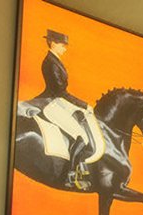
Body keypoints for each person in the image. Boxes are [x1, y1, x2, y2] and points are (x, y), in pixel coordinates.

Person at [37, 29, 95, 189]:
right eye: (62, 45)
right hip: (52, 103)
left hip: (59, 100)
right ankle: (71, 175)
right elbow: (60, 92)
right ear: (53, 43)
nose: (65, 49)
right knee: (81, 135)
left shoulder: (55, 60)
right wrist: (84, 104)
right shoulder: (50, 63)